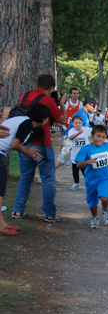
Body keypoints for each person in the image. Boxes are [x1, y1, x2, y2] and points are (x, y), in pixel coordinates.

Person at [11, 74, 67, 223]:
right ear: (51, 88)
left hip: (25, 141)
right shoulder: (48, 100)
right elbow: (62, 119)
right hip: (43, 143)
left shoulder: (25, 95)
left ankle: (18, 210)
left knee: (26, 177)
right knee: (48, 179)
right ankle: (49, 214)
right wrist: (61, 103)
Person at [0, 104, 52, 235]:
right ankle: (1, 226)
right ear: (43, 119)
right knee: (0, 192)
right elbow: (15, 144)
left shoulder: (25, 121)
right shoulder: (27, 124)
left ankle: (2, 224)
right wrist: (27, 151)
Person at [74, 125, 108, 228]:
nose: (101, 139)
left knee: (104, 197)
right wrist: (87, 161)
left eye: (103, 137)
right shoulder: (86, 149)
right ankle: (94, 217)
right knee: (92, 201)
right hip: (91, 179)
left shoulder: (107, 146)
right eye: (98, 136)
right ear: (92, 136)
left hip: (105, 177)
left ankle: (105, 211)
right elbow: (78, 164)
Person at [67, 115, 92, 191]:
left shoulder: (85, 129)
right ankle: (76, 183)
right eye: (76, 123)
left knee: (85, 171)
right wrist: (78, 133)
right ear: (72, 123)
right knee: (75, 171)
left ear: (82, 123)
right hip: (75, 155)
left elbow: (93, 132)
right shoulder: (71, 131)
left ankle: (89, 184)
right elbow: (70, 137)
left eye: (79, 123)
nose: (78, 124)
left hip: (84, 156)